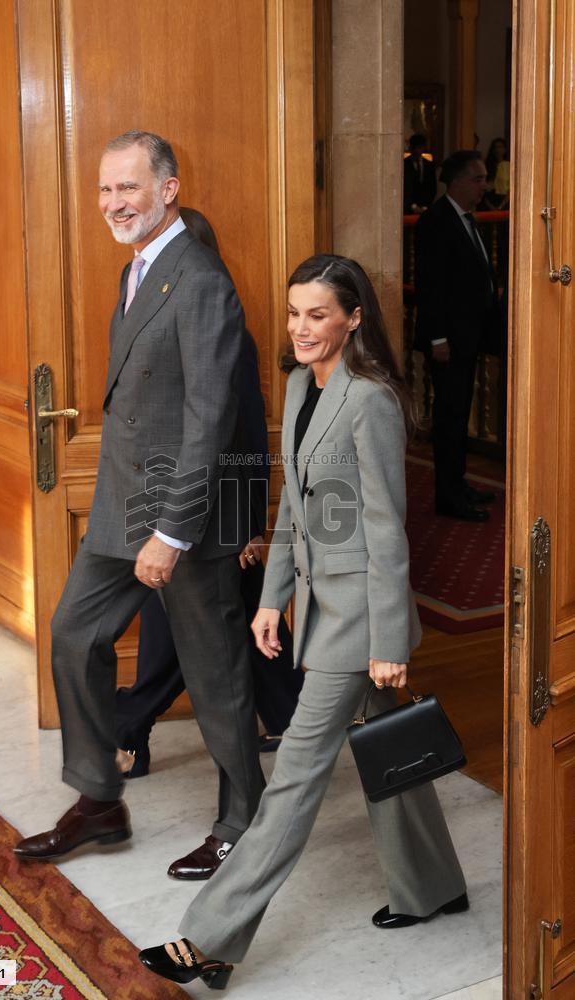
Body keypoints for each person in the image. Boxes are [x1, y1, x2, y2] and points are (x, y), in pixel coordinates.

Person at [138, 254, 468, 990]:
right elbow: (295, 506)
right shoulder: (298, 385)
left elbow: (385, 530)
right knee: (394, 752)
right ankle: (435, 886)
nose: (301, 328)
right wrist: (269, 598)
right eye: (294, 314)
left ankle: (209, 939)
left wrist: (387, 642)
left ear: (354, 317)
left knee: (292, 781)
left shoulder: (370, 400)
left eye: (318, 314)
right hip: (320, 607)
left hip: (359, 623)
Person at [14, 131, 265, 881]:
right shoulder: (139, 267)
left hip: (180, 518)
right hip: (122, 507)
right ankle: (99, 800)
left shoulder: (200, 279)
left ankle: (241, 822)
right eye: (104, 189)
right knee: (71, 634)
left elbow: (211, 417)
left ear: (168, 189)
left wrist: (172, 530)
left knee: (215, 675)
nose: (114, 203)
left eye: (128, 187)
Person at [115, 208, 302, 781]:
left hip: (218, 512)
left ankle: (132, 725)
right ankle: (288, 718)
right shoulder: (146, 323)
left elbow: (244, 431)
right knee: (204, 623)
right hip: (163, 506)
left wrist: (250, 522)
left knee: (203, 628)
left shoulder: (227, 333)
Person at [414, 150, 498, 522]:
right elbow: (430, 287)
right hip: (447, 342)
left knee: (459, 414)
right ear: (460, 181)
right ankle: (448, 497)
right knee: (448, 420)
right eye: (479, 179)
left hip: (468, 337)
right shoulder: (436, 221)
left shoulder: (466, 219)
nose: (485, 186)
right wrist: (437, 340)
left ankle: (459, 484)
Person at [403, 133, 437, 215]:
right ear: (411, 148)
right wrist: (412, 206)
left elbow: (432, 187)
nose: (417, 151)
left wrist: (425, 206)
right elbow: (404, 188)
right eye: (416, 148)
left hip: (426, 207)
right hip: (407, 209)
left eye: (420, 148)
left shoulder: (429, 165)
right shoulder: (403, 165)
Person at [482, 137, 510, 210]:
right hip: (488, 199)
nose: (498, 150)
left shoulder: (509, 165)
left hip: (505, 200)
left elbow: (511, 189)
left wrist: (501, 207)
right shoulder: (487, 165)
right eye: (495, 147)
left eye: (500, 147)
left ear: (505, 149)